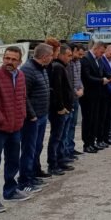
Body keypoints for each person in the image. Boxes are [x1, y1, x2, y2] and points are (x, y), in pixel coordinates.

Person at [0, 46, 30, 212]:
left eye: (13, 59)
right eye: (7, 58)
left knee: (13, 160)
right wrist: (1, 119)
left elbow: (22, 97)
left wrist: (22, 115)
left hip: (16, 127)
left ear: (20, 61)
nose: (9, 62)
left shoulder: (21, 75)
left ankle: (10, 190)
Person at [19, 43, 53, 193]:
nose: (52, 58)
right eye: (51, 55)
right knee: (29, 149)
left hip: (42, 115)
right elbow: (23, 95)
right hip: (32, 118)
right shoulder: (28, 70)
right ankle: (25, 181)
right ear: (44, 56)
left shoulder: (41, 69)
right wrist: (31, 115)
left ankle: (33, 173)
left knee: (37, 147)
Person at [47, 44, 75, 175]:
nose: (70, 58)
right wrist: (61, 107)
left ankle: (61, 159)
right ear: (61, 55)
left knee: (62, 136)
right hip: (60, 110)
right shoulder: (57, 67)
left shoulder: (64, 66)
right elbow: (57, 89)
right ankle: (53, 163)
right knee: (56, 137)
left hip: (67, 108)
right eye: (68, 55)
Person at [80, 41, 111, 153]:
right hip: (88, 95)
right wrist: (101, 80)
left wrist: (110, 76)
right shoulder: (86, 59)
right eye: (101, 52)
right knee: (88, 119)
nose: (102, 54)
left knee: (95, 119)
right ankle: (87, 143)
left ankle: (92, 142)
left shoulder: (99, 59)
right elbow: (87, 77)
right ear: (96, 48)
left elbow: (102, 72)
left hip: (98, 94)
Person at [65, 43, 85, 158]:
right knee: (67, 125)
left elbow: (78, 78)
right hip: (70, 97)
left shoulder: (78, 62)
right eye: (78, 53)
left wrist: (81, 88)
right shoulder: (68, 64)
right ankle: (66, 150)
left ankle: (71, 147)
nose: (80, 56)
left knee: (73, 124)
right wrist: (74, 91)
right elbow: (68, 82)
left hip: (77, 97)